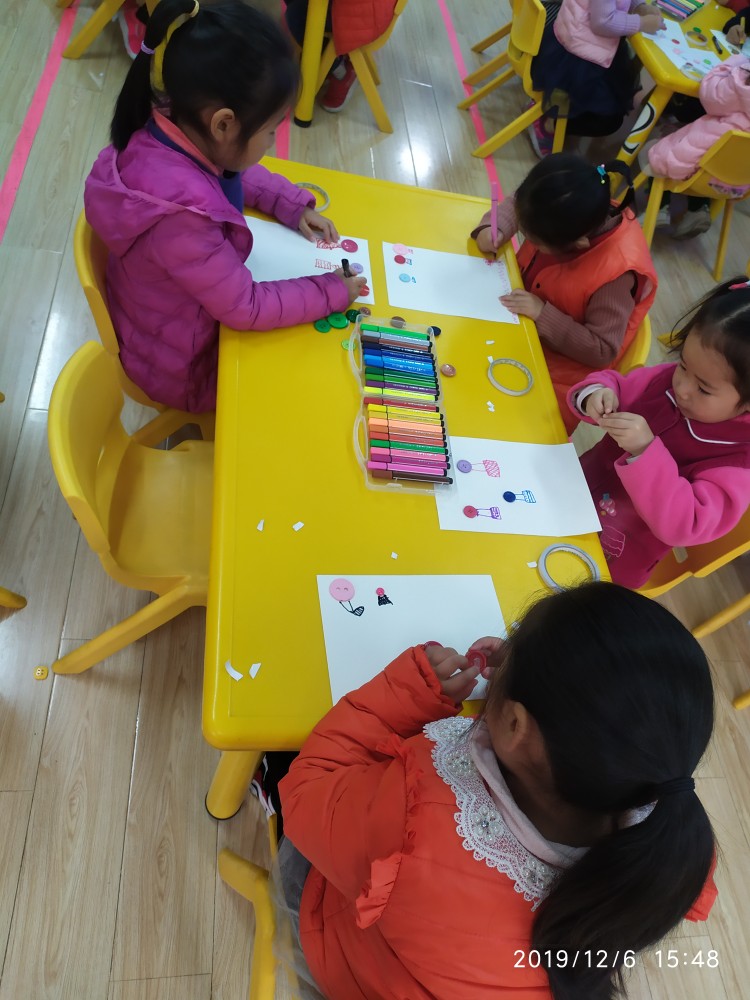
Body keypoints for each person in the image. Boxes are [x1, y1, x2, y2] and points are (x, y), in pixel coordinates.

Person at [275, 582, 717, 1000]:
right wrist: (531, 677)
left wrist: (404, 694)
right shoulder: (674, 839)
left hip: (358, 963)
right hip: (445, 965)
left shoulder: (412, 819)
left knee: (285, 768)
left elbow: (306, 789)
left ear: (515, 725)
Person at [84, 0, 366, 413]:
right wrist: (332, 291)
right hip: (183, 368)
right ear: (223, 124)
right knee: (315, 389)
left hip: (171, 324)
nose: (271, 143)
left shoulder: (173, 123)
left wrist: (290, 204)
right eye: (269, 132)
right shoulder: (182, 220)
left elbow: (228, 172)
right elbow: (246, 307)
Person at [568, 277, 750, 587]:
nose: (682, 388)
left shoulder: (736, 460)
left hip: (610, 560)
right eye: (683, 365)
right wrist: (595, 394)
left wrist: (645, 452)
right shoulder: (665, 380)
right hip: (571, 489)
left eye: (704, 389)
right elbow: (616, 384)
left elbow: (686, 524)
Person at [471, 154, 657, 433]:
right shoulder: (566, 206)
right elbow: (523, 202)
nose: (526, 238)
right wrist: (495, 227)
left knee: (486, 421)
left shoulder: (615, 277)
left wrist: (541, 314)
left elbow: (602, 349)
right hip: (518, 323)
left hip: (558, 370)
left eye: (534, 240)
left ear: (578, 245)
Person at [527, 0, 665, 156]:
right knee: (608, 119)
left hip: (581, 41)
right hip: (577, 55)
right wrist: (641, 23)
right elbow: (602, 22)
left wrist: (638, 6)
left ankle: (550, 112)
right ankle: (547, 123)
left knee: (612, 105)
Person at [647, 51, 750, 239]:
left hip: (697, 173)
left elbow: (710, 96)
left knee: (657, 150)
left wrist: (736, 61)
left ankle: (659, 207)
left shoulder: (742, 81)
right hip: (737, 185)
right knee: (711, 158)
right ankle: (699, 208)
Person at [283, 0, 397, 112]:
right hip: (372, 11)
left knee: (296, 15)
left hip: (363, 17)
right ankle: (326, 59)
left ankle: (340, 71)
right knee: (296, 8)